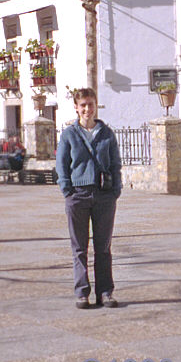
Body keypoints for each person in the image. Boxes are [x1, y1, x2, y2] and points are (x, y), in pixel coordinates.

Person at [56, 87, 122, 309]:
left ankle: (105, 292)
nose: (87, 109)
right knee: (79, 247)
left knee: (103, 247)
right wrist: (68, 190)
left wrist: (115, 191)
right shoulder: (68, 135)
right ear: (76, 107)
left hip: (104, 196)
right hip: (78, 196)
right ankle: (82, 292)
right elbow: (62, 166)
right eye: (82, 105)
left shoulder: (107, 134)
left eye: (90, 104)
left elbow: (115, 163)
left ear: (96, 106)